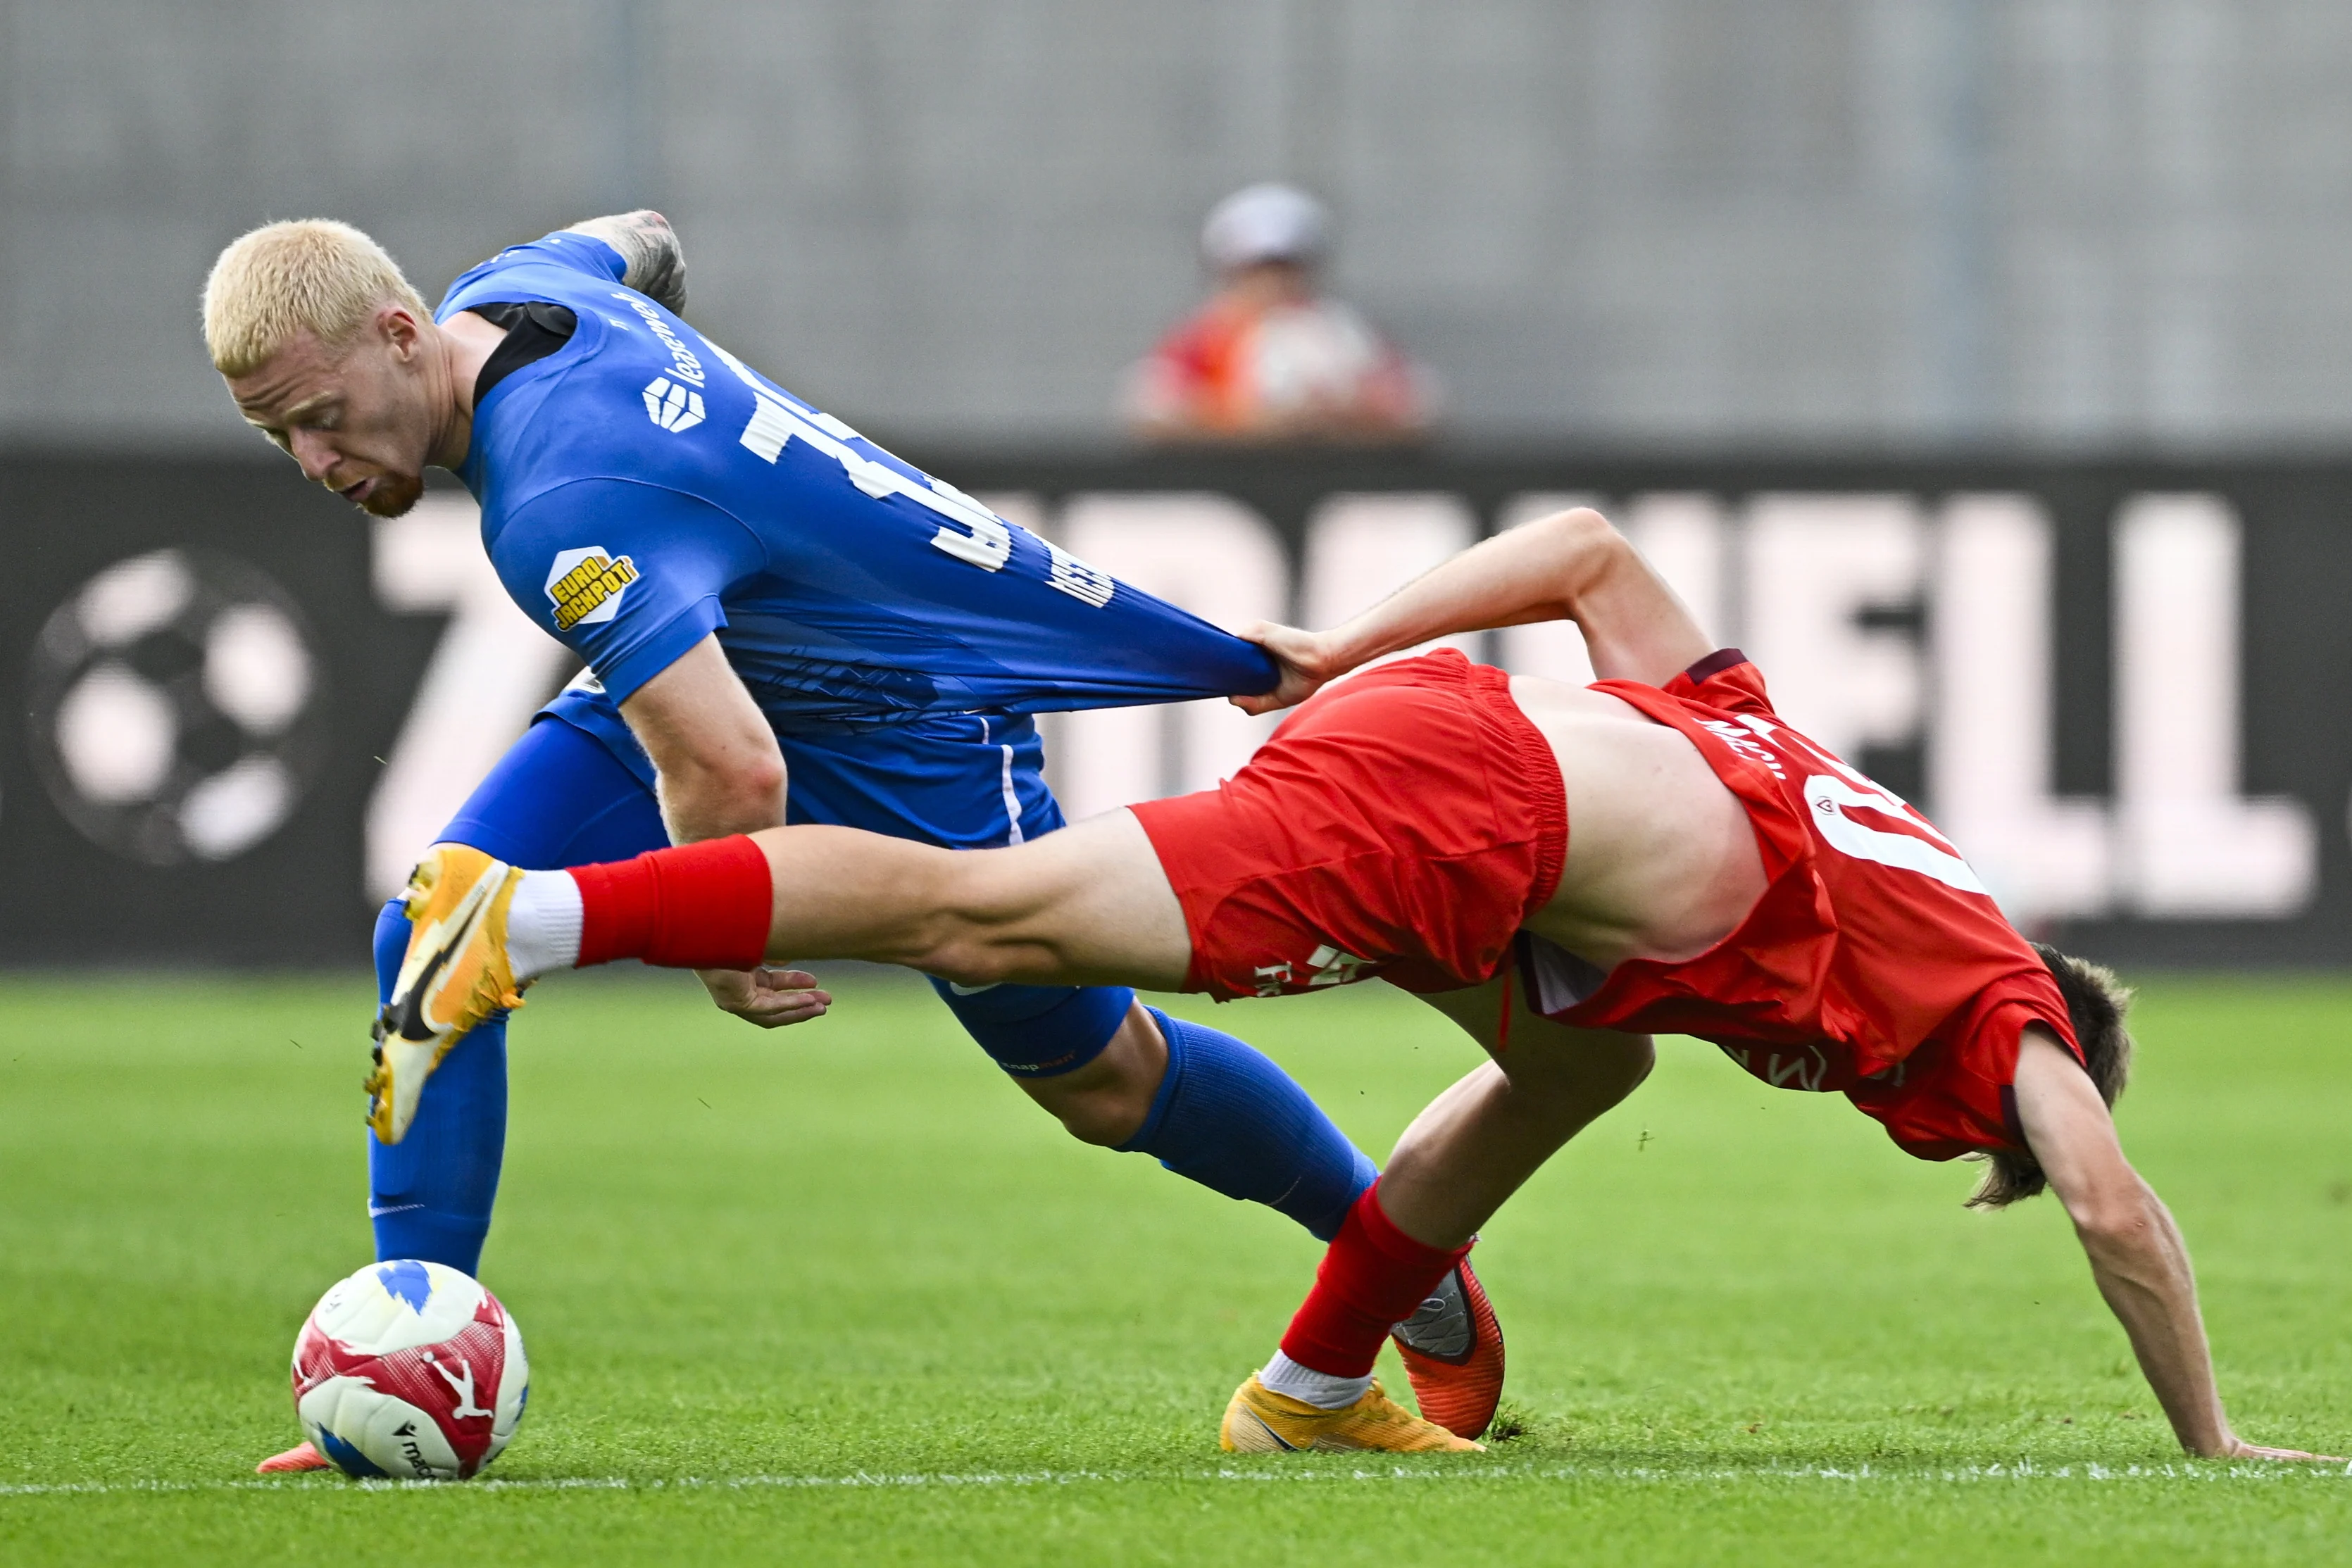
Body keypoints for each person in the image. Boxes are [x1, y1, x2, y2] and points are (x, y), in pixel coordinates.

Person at [383, 505, 2339, 1462]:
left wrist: (1342, 645)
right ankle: (535, 926)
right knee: (999, 919)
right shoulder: (1991, 1003)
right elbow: (2110, 1202)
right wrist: (2211, 1443)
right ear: (2039, 1037)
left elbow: (1583, 552)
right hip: (1451, 813)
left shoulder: (1792, 770)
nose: (1973, 1150)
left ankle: (1315, 1385)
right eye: (1977, 1143)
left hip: (1472, 767)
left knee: (1578, 1063)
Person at [201, 212, 1503, 1472]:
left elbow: (728, 765)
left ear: (398, 330)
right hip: (721, 659)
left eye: (323, 417)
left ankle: (1402, 1260)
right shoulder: (531, 282)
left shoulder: (562, 494)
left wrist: (724, 940)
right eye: (279, 437)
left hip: (905, 717)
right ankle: (411, 1348)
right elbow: (638, 231)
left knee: (1099, 1078)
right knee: (435, 925)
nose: (316, 461)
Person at [1122, 183, 1432, 444]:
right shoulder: (1205, 336)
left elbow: (1417, 413)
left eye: (1287, 269)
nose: (1273, 284)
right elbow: (1149, 414)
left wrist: (1338, 419)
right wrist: (1245, 422)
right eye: (1256, 270)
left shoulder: (1343, 334)